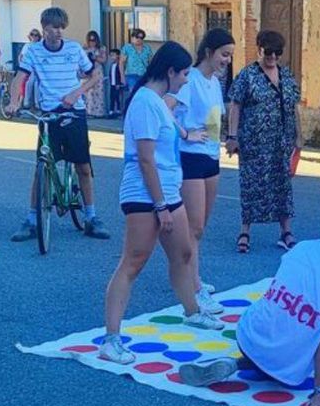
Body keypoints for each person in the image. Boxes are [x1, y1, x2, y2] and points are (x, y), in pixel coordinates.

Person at [178, 202, 320, 406]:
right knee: (299, 344)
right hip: (285, 364)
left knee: (282, 317)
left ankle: (239, 362)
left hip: (248, 335)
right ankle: (240, 365)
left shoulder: (304, 247)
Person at [99, 43, 213, 364]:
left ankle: (192, 311)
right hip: (144, 195)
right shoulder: (145, 103)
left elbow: (172, 136)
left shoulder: (158, 103)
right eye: (185, 74)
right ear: (170, 72)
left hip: (166, 191)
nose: (187, 80)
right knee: (133, 262)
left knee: (184, 251)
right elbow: (146, 160)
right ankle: (111, 339)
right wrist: (160, 206)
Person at [8, 6, 109, 241]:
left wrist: (77, 93)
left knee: (83, 166)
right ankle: (32, 220)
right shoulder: (33, 52)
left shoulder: (74, 49)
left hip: (74, 112)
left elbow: (94, 75)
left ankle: (91, 217)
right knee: (41, 166)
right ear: (44, 29)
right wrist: (14, 102)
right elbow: (19, 79)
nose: (59, 32)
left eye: (62, 27)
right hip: (48, 114)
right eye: (54, 27)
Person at [226, 29, 301, 253]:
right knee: (251, 186)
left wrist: (299, 135)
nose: (273, 57)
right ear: (259, 49)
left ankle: (286, 232)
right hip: (254, 142)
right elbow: (235, 106)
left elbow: (293, 106)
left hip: (281, 142)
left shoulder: (286, 75)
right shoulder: (247, 75)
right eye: (268, 52)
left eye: (277, 52)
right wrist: (232, 136)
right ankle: (245, 231)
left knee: (283, 186)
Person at [177, 27, 232, 320]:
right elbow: (164, 107)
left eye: (230, 56)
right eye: (224, 55)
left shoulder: (214, 82)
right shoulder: (191, 81)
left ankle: (193, 275)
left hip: (211, 157)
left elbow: (214, 119)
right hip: (191, 159)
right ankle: (194, 286)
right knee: (193, 227)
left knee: (200, 228)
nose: (227, 61)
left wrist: (217, 141)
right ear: (209, 52)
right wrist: (186, 133)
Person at [83, 31, 109, 118]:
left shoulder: (101, 48)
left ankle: (98, 112)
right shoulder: (85, 49)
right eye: (90, 40)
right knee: (89, 92)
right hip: (88, 71)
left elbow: (104, 60)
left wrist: (95, 57)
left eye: (93, 40)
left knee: (98, 91)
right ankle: (89, 111)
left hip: (97, 70)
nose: (92, 42)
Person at [119, 28, 151, 96]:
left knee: (143, 95)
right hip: (131, 75)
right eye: (137, 37)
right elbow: (121, 63)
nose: (139, 39)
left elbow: (151, 62)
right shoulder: (127, 48)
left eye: (141, 37)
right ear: (132, 37)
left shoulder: (147, 48)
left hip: (144, 75)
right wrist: (122, 77)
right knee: (133, 94)